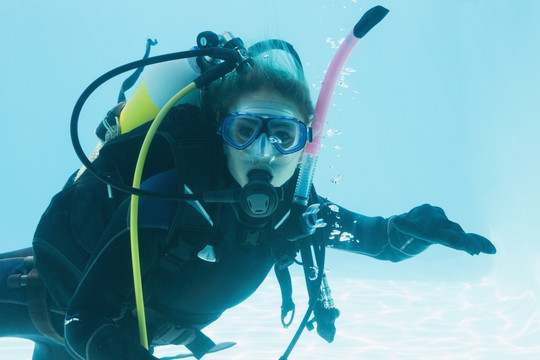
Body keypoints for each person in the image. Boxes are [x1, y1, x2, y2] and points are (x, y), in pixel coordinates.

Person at [0, 32, 496, 360]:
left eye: (283, 135)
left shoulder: (295, 211)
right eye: (246, 131)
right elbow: (88, 317)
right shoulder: (172, 189)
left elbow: (379, 240)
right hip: (39, 299)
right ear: (221, 134)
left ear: (305, 147)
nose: (264, 153)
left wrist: (411, 231)